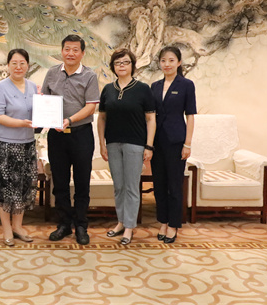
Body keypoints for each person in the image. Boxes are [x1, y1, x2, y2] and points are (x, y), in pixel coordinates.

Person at [42, 34, 100, 245]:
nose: (70, 53)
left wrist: (69, 120)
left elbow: (90, 107)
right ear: (61, 51)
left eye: (75, 50)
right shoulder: (51, 73)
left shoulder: (90, 76)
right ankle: (64, 224)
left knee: (82, 182)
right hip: (56, 136)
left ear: (82, 53)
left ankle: (81, 225)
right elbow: (44, 100)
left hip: (81, 134)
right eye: (67, 49)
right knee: (60, 182)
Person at [98, 48, 156, 245]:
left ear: (132, 65)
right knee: (118, 186)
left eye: (125, 62)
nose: (121, 66)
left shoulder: (143, 89)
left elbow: (151, 119)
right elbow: (102, 118)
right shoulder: (108, 89)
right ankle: (121, 222)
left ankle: (129, 227)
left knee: (131, 187)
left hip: (135, 144)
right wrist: (102, 143)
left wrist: (149, 146)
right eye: (117, 63)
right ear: (113, 67)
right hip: (113, 143)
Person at [0, 49, 39, 246]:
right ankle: (7, 229)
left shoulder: (33, 86)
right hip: (5, 145)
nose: (18, 67)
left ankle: (18, 226)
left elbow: (38, 112)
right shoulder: (0, 87)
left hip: (27, 144)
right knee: (5, 188)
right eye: (14, 63)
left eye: (22, 63)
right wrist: (21, 123)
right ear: (8, 65)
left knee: (23, 187)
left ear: (27, 65)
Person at [151, 46, 196, 244]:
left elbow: (190, 115)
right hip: (156, 142)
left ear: (179, 62)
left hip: (176, 142)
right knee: (159, 185)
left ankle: (173, 225)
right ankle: (163, 221)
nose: (166, 64)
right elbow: (150, 116)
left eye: (171, 60)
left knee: (174, 185)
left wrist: (188, 144)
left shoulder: (186, 85)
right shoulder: (154, 86)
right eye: (163, 60)